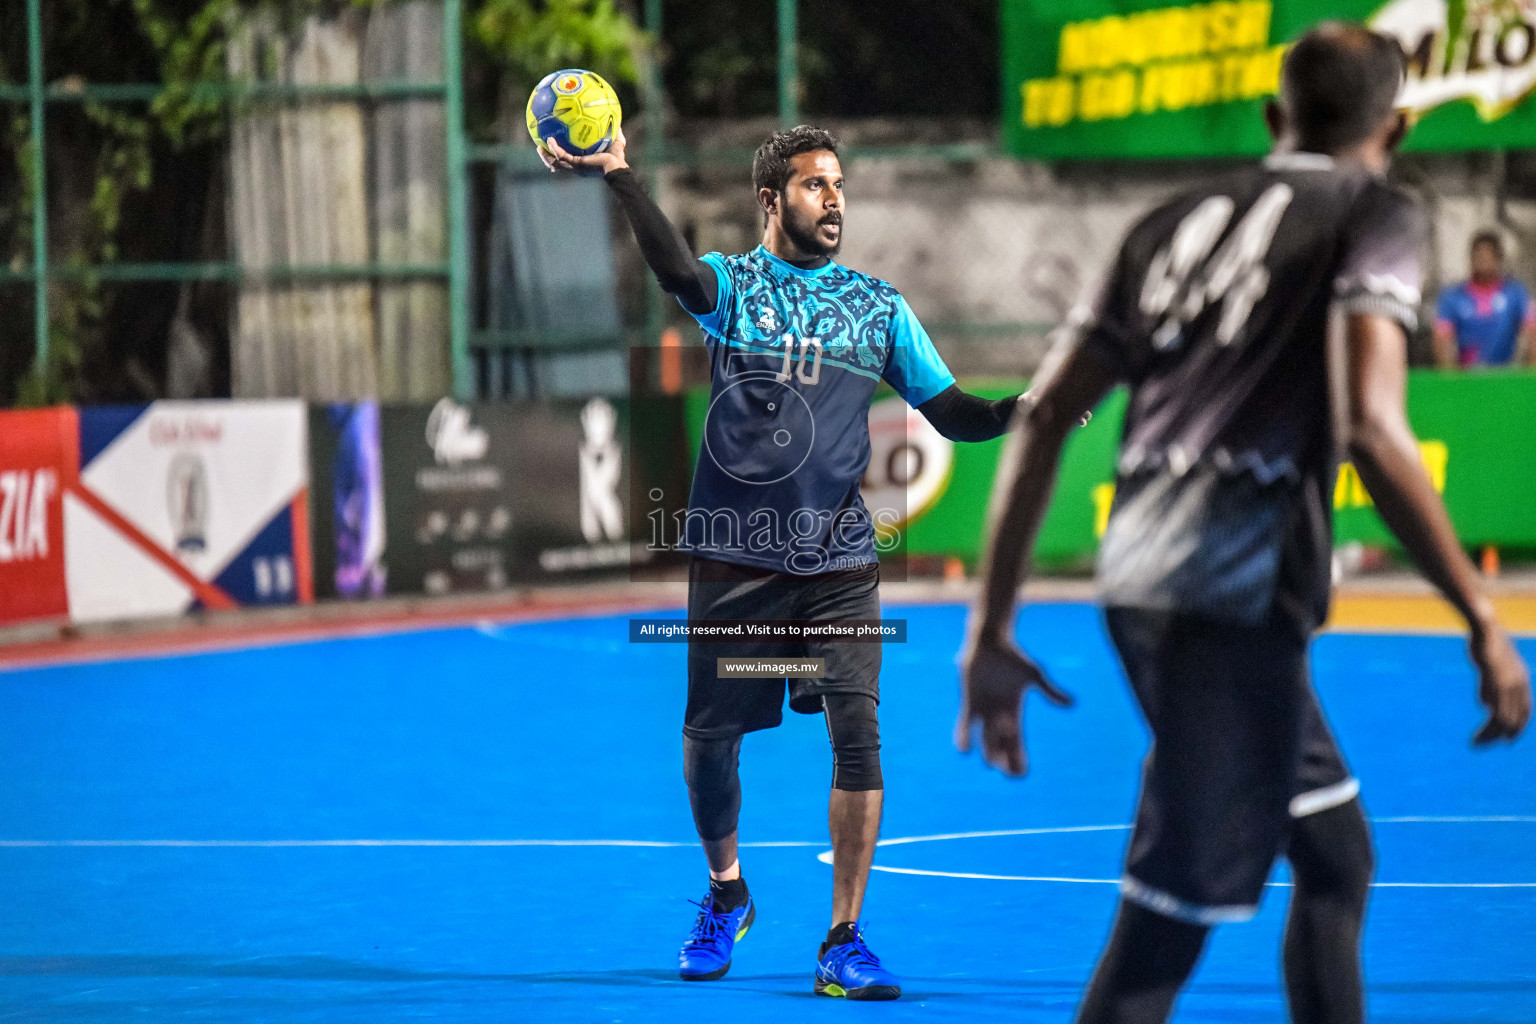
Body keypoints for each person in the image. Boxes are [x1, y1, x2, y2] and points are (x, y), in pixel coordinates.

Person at [959, 23, 1531, 1024]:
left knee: (1335, 854)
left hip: (1154, 583)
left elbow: (1043, 415)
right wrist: (1480, 618)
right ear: (1395, 128)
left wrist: (989, 627)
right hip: (1226, 602)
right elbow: (1375, 430)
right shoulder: (1377, 212)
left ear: (1275, 121)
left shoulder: (1169, 219)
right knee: (1164, 934)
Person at [542, 123, 1027, 1000]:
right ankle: (727, 892)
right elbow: (676, 275)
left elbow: (952, 411)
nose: (834, 199)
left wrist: (1023, 410)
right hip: (736, 567)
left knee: (858, 734)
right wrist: (618, 176)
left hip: (838, 562)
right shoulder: (734, 286)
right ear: (772, 200)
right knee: (710, 744)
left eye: (839, 184)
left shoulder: (878, 307)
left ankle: (843, 940)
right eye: (814, 185)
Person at [1434, 230, 1536, 367]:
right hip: (1466, 378)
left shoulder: (1515, 294)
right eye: (1478, 255)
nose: (1482, 260)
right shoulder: (1452, 296)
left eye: (1488, 255)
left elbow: (1532, 331)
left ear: (1499, 258)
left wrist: (1529, 375)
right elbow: (1442, 339)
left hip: (1505, 377)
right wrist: (1449, 379)